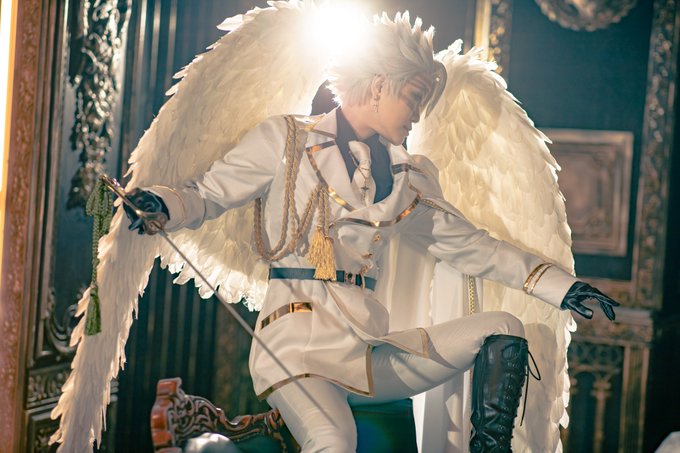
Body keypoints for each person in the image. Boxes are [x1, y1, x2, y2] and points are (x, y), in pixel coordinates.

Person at [123, 11, 618, 453]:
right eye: (414, 98)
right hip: (297, 350)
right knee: (334, 441)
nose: (418, 114)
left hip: (368, 351)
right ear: (379, 85)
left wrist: (562, 286)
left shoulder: (408, 179)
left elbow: (472, 246)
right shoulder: (286, 140)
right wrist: (162, 205)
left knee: (503, 328)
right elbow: (209, 194)